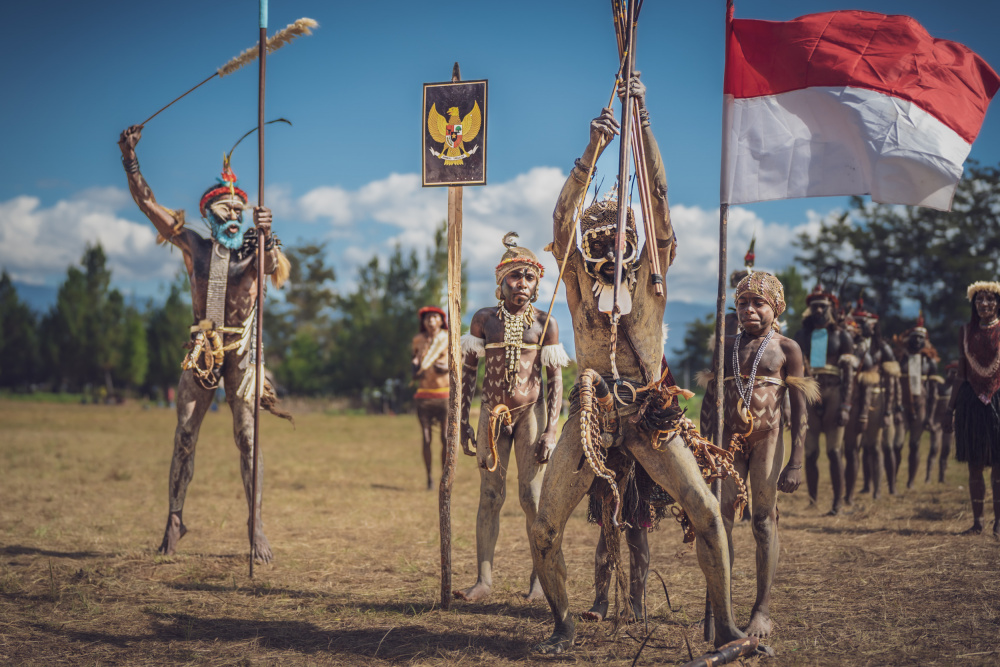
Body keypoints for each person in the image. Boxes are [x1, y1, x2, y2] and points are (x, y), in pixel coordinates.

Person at [528, 75, 745, 654]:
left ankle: (726, 626)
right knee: (544, 528)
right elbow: (560, 219)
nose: (607, 242)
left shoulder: (654, 277)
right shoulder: (575, 280)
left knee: (704, 511)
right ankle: (564, 623)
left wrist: (642, 119)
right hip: (592, 411)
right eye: (597, 236)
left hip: (651, 411)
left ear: (635, 240)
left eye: (620, 233)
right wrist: (593, 151)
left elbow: (658, 197)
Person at [119, 124, 291, 562]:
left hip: (243, 353)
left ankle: (256, 525)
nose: (235, 214)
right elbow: (146, 203)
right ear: (209, 213)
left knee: (248, 438)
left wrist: (267, 232)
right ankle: (175, 519)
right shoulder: (193, 245)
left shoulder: (256, 248)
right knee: (184, 436)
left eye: (240, 208)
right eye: (226, 208)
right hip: (202, 351)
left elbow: (273, 266)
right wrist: (129, 158)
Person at [453, 233, 570, 602]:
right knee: (490, 496)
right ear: (500, 282)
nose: (522, 283)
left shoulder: (544, 322)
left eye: (529, 277)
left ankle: (541, 580)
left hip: (530, 416)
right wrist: (461, 419)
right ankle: (484, 581)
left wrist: (552, 429)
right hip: (491, 414)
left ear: (537, 284)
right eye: (515, 277)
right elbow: (468, 374)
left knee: (531, 497)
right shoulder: (484, 320)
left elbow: (555, 380)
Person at [712, 272, 816, 638]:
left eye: (759, 303)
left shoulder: (787, 349)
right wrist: (706, 450)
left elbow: (800, 409)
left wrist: (797, 460)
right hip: (728, 442)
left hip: (769, 440)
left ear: (775, 308)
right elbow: (712, 402)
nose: (750, 309)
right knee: (720, 521)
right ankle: (719, 605)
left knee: (762, 520)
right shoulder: (724, 345)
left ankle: (762, 608)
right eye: (742, 303)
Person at [794, 286, 857, 515]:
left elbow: (849, 375)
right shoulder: (801, 336)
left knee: (834, 451)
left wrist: (846, 406)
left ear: (831, 309)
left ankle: (837, 504)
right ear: (809, 309)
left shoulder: (842, 336)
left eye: (823, 306)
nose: (818, 309)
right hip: (809, 396)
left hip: (835, 395)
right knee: (810, 453)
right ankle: (812, 501)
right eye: (814, 306)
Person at [947, 281, 1000, 537]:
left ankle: (998, 522)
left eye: (990, 299)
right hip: (970, 402)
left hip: (998, 400)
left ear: (998, 303)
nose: (984, 304)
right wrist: (950, 409)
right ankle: (978, 522)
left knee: (999, 463)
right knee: (975, 464)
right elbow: (960, 374)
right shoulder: (965, 331)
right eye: (979, 300)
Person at [844, 301, 900, 500]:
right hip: (852, 399)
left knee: (875, 447)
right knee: (850, 449)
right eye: (856, 322)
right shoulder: (849, 344)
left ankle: (878, 491)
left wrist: (889, 411)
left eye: (864, 322)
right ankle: (848, 495)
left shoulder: (882, 347)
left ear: (873, 324)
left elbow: (892, 381)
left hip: (877, 398)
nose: (860, 325)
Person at [894, 316, 941, 489]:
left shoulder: (929, 363)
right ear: (909, 339)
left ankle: (911, 481)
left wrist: (930, 416)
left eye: (921, 338)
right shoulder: (900, 359)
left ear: (926, 341)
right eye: (915, 337)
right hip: (901, 406)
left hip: (920, 407)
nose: (918, 340)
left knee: (914, 444)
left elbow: (933, 393)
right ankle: (894, 479)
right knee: (897, 444)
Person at [411, 306, 450, 489]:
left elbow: (462, 361)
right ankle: (429, 478)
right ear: (423, 322)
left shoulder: (448, 338)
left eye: (434, 317)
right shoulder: (418, 340)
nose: (431, 321)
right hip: (424, 396)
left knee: (444, 436)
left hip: (444, 394)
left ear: (442, 321)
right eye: (427, 318)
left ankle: (444, 476)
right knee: (426, 438)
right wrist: (415, 365)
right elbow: (415, 367)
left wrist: (448, 366)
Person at [926, 361, 957, 483]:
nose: (954, 375)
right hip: (937, 422)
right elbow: (931, 404)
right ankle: (928, 476)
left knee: (946, 449)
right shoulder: (939, 386)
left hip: (950, 424)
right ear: (947, 372)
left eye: (957, 373)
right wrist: (930, 420)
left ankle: (941, 477)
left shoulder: (958, 389)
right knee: (934, 448)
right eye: (952, 372)